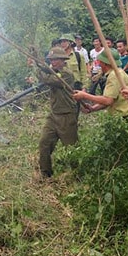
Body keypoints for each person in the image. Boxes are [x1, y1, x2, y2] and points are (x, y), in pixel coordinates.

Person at [35, 47, 78, 178]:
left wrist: (35, 68)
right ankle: (45, 174)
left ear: (62, 60)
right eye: (51, 60)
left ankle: (77, 175)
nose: (52, 62)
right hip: (54, 115)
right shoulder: (55, 71)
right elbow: (46, 70)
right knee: (44, 143)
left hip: (66, 115)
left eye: (55, 60)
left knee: (71, 148)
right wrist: (36, 59)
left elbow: (48, 79)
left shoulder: (66, 74)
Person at [73, 49, 128, 118]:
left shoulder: (115, 75)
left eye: (99, 61)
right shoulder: (116, 73)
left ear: (104, 63)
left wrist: (84, 95)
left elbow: (108, 100)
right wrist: (93, 108)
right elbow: (112, 99)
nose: (99, 64)